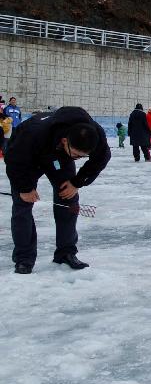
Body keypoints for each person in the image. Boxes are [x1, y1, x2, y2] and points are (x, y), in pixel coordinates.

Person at [4, 106, 111, 273]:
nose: (78, 159)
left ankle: (66, 253)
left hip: (59, 157)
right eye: (76, 155)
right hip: (28, 158)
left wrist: (76, 182)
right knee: (22, 205)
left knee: (68, 200)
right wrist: (25, 188)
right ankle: (24, 258)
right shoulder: (33, 133)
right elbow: (14, 159)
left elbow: (102, 158)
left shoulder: (95, 135)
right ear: (65, 141)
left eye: (83, 156)